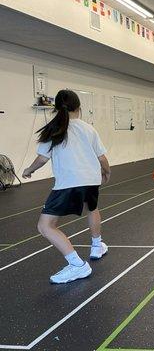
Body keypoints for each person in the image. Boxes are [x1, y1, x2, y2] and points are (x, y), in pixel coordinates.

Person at [22, 90, 110, 284]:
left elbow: (42, 158)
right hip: (90, 179)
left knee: (45, 226)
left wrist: (29, 170)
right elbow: (102, 157)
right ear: (79, 108)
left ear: (56, 108)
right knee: (92, 208)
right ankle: (97, 245)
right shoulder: (88, 128)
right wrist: (107, 172)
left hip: (69, 183)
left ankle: (77, 265)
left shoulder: (53, 128)